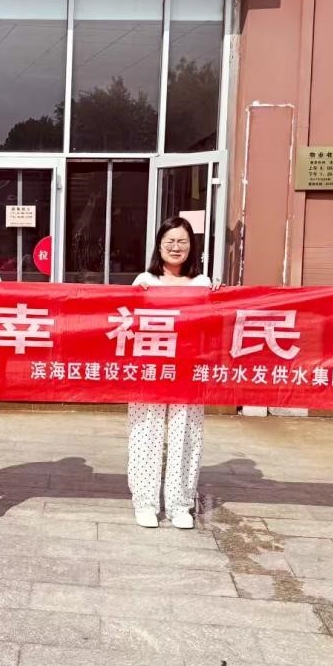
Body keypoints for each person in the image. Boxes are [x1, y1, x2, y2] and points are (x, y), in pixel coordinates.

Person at [126, 218, 214, 530]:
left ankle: (180, 504)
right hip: (150, 370)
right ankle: (145, 503)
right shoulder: (144, 280)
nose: (176, 247)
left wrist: (219, 295)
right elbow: (125, 321)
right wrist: (137, 296)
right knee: (145, 434)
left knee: (186, 435)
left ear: (192, 247)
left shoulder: (203, 283)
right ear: (159, 245)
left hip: (188, 371)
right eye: (170, 241)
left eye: (182, 242)